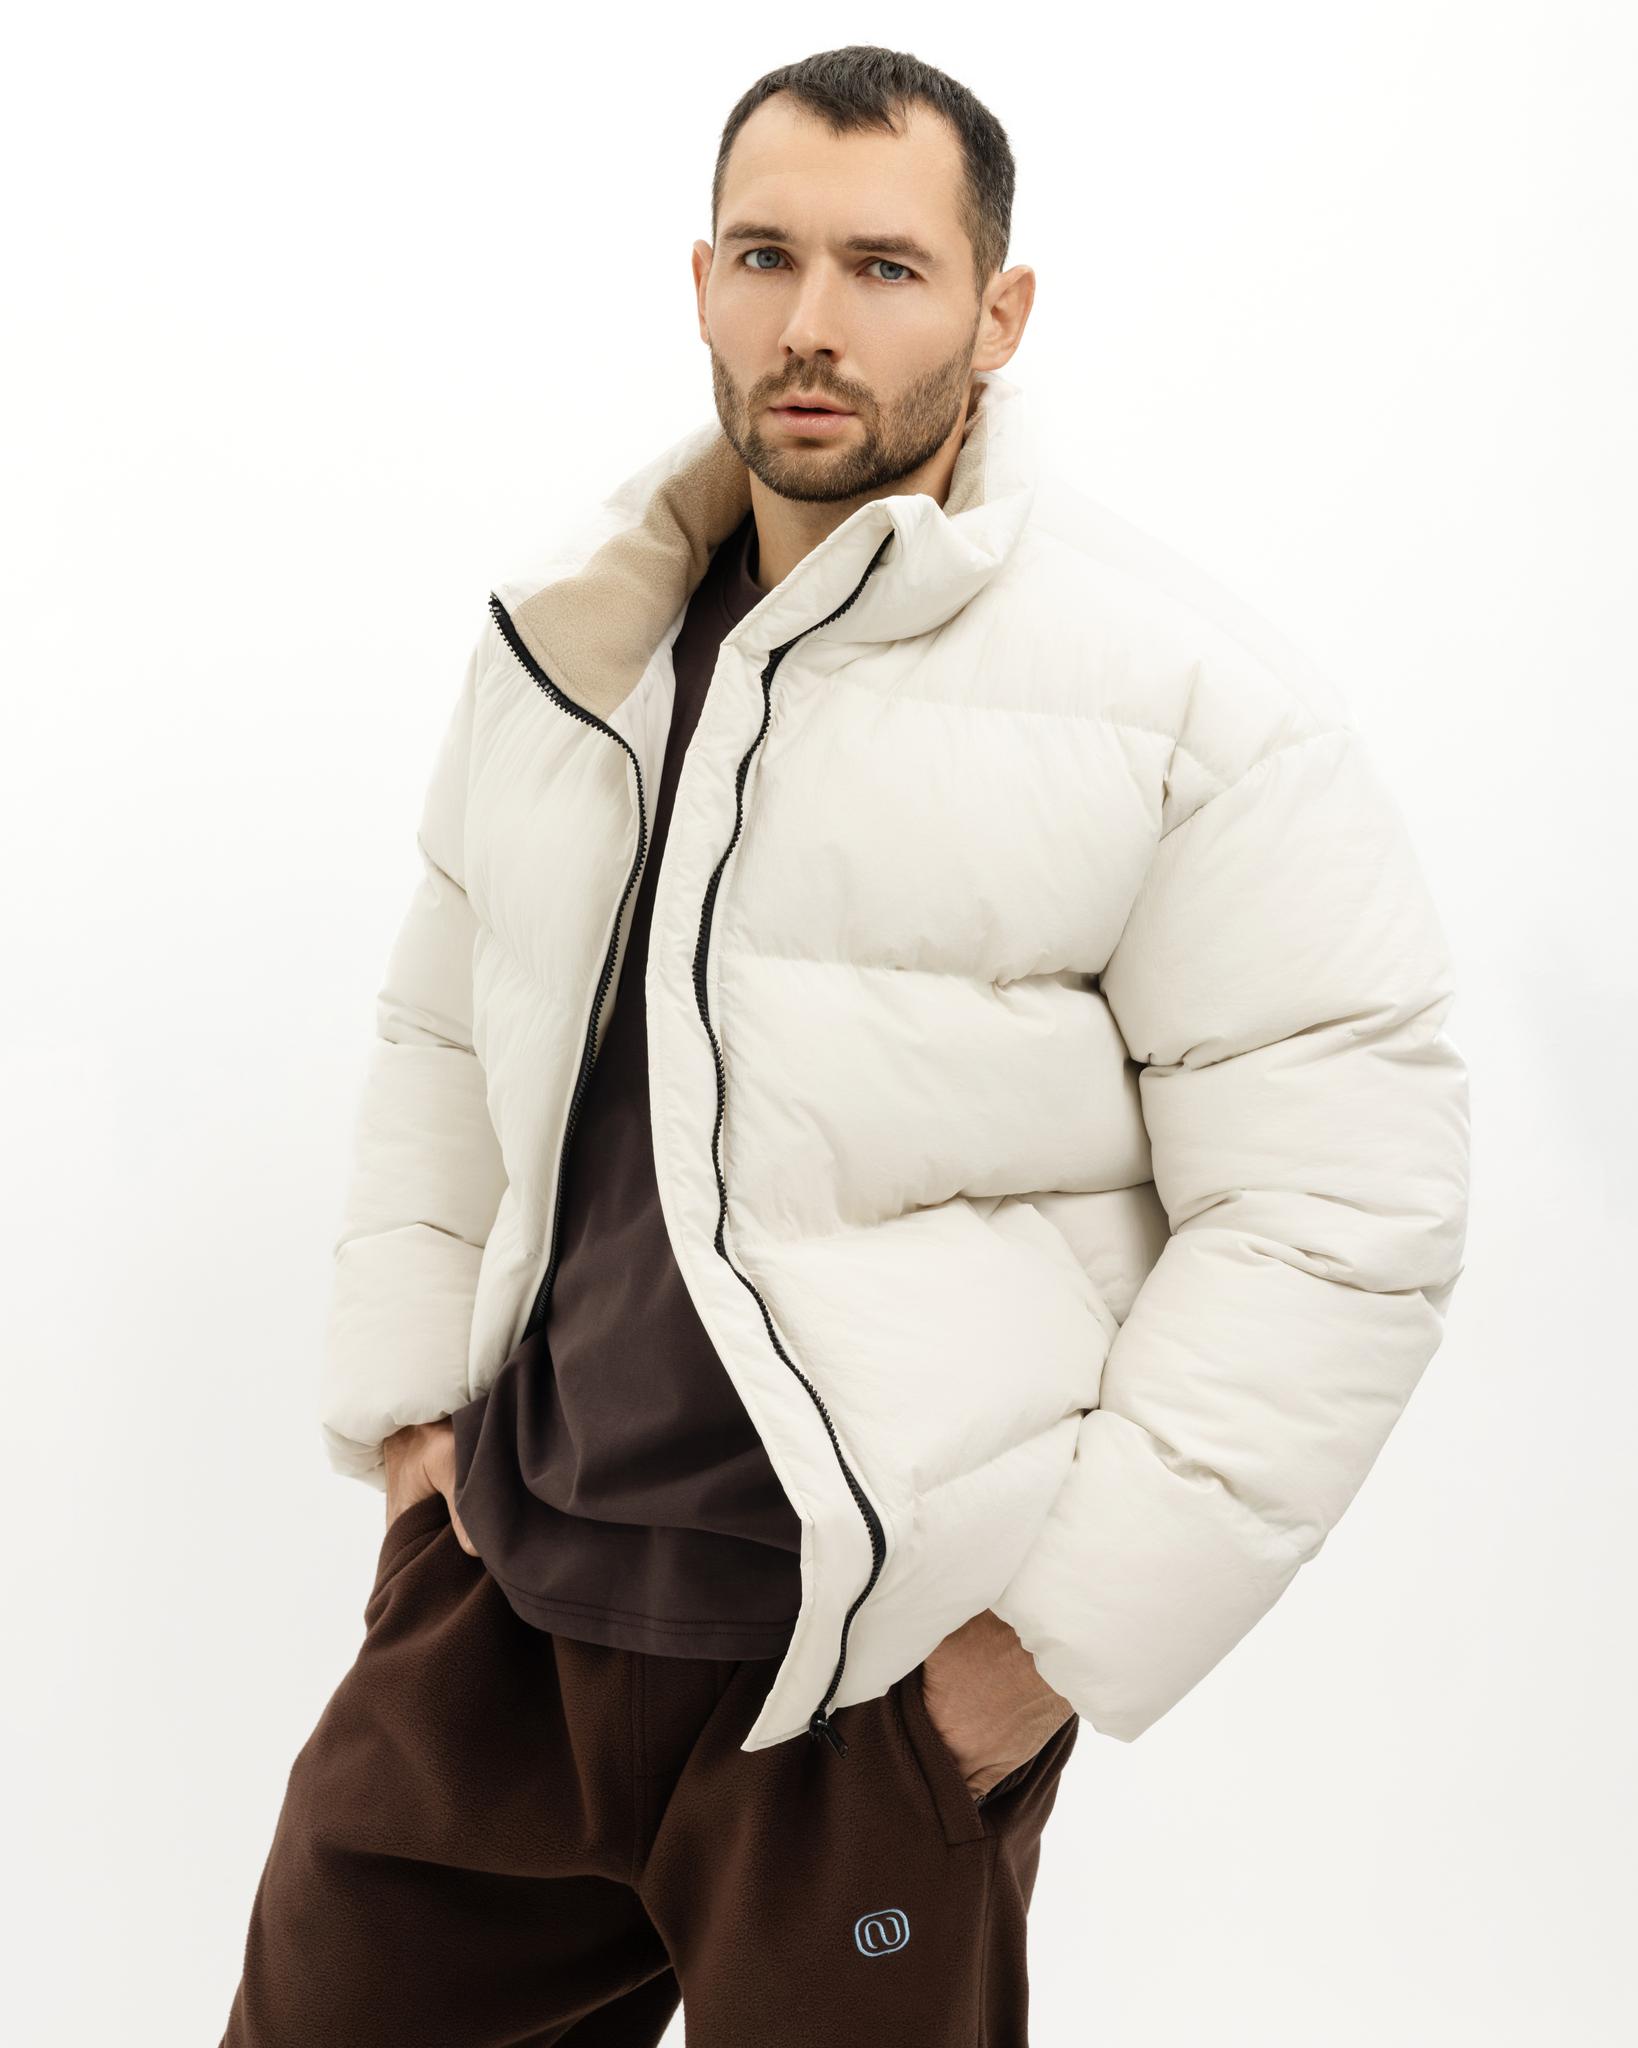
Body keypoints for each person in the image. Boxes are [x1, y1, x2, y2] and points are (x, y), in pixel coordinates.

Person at [220, 43, 1471, 2048]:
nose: (811, 321)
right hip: (501, 1617)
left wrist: (1032, 1659)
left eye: (885, 268)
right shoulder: (574, 651)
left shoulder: (1185, 706)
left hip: (867, 1676)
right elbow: (444, 1033)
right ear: (700, 281)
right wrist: (408, 1442)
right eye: (765, 255)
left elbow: (1341, 1220)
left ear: (1000, 311)